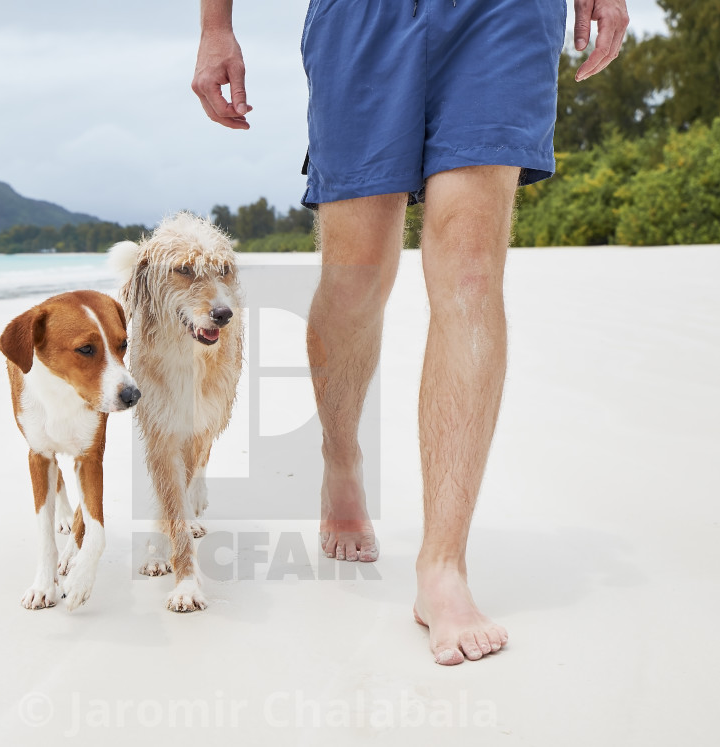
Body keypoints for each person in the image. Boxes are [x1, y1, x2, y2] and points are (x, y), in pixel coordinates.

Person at [192, 0, 628, 665]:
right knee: (355, 278)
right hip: (364, 17)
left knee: (472, 271)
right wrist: (215, 27)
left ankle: (443, 565)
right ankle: (342, 455)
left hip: (503, 14)